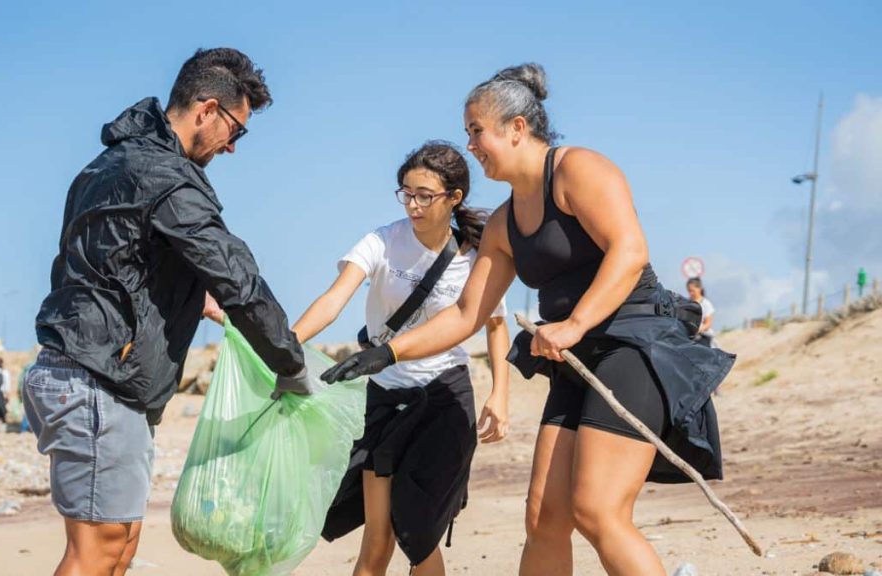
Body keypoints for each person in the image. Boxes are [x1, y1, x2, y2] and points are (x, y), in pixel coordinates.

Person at [322, 64, 734, 576]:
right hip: (575, 358)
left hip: (636, 343)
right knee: (543, 517)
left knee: (597, 510)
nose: (469, 143)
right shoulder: (502, 222)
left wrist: (576, 322)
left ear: (517, 128)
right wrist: (388, 352)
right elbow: (468, 313)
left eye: (477, 130)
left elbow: (629, 252)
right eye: (468, 130)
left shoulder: (578, 170)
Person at [25, 48, 312, 576]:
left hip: (100, 373)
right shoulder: (167, 176)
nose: (232, 148)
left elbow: (112, 261)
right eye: (236, 131)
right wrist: (289, 362)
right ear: (206, 109)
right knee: (98, 550)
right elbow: (234, 274)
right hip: (97, 377)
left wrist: (186, 297)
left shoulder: (116, 163)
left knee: (120, 544)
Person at [296, 142, 510, 575]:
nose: (413, 204)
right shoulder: (383, 241)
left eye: (425, 195)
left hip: (444, 399)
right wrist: (282, 346)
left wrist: (501, 393)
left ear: (455, 198)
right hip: (386, 398)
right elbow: (334, 299)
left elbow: (495, 326)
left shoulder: (475, 258)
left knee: (417, 528)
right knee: (377, 536)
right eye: (406, 193)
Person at [686, 277, 715, 347]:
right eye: (689, 291)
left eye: (692, 290)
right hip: (690, 337)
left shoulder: (706, 304)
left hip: (704, 337)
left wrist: (698, 329)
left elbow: (708, 324)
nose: (691, 293)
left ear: (699, 289)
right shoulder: (687, 303)